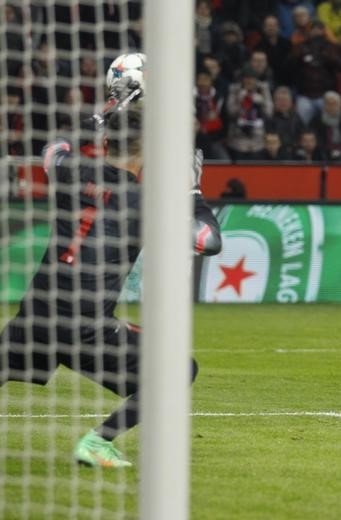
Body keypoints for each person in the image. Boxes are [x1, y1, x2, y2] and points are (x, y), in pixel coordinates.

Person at [0, 106, 222, 468]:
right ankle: (97, 442)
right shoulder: (147, 202)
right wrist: (192, 188)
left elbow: (52, 150)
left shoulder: (72, 171)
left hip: (37, 312)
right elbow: (208, 240)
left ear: (105, 142)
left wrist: (99, 116)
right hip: (84, 328)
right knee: (179, 368)